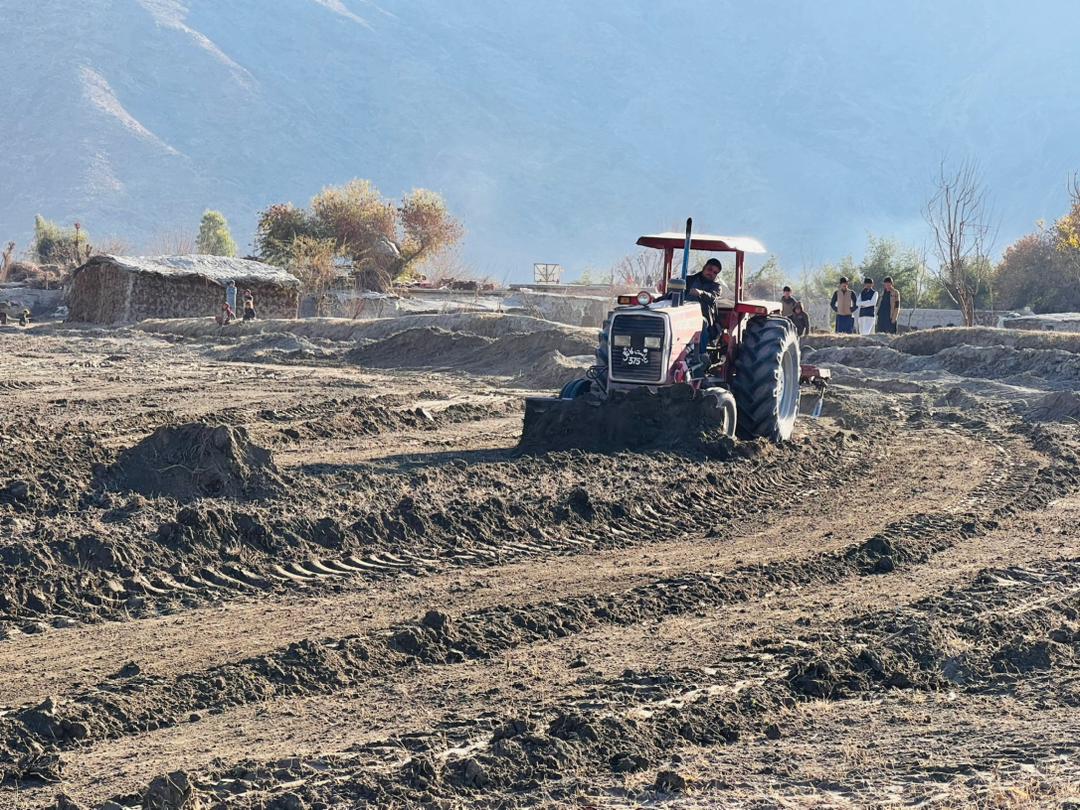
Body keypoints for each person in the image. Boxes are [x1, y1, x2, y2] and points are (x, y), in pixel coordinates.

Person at [686, 258, 724, 344]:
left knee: (701, 322)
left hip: (703, 314)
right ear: (704, 267)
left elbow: (712, 297)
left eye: (715, 272)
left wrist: (701, 293)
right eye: (709, 269)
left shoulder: (716, 287)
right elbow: (674, 290)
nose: (711, 273)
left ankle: (701, 354)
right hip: (683, 312)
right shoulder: (688, 280)